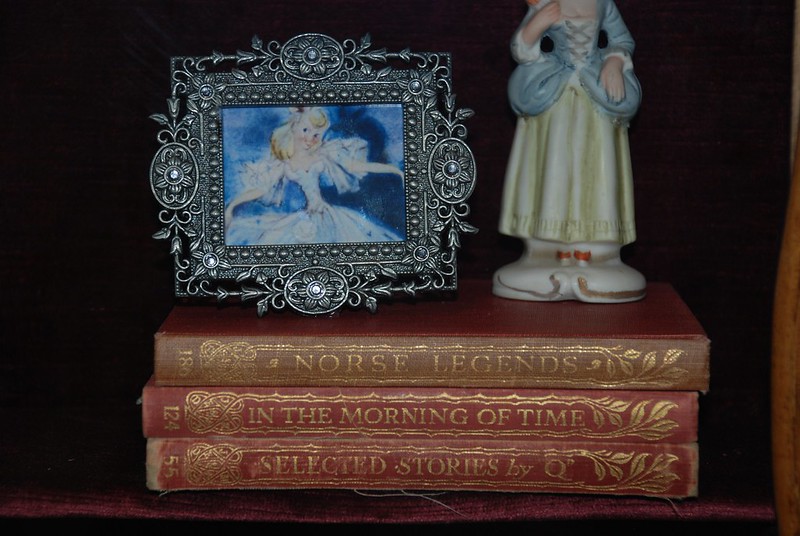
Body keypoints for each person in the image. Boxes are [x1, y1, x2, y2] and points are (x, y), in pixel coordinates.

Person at [492, 0, 646, 303]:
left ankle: (596, 249)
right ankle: (548, 248)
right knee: (555, 166)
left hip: (594, 93)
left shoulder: (603, 3)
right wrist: (537, 23)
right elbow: (522, 48)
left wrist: (613, 61)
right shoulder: (546, 1)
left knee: (597, 170)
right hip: (554, 95)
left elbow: (622, 38)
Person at [225, 106, 404, 246]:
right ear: (294, 129)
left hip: (329, 215)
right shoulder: (284, 165)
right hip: (304, 217)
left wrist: (394, 170)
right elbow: (260, 189)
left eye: (316, 134)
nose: (310, 138)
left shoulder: (323, 155)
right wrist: (233, 205)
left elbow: (355, 165)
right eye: (305, 130)